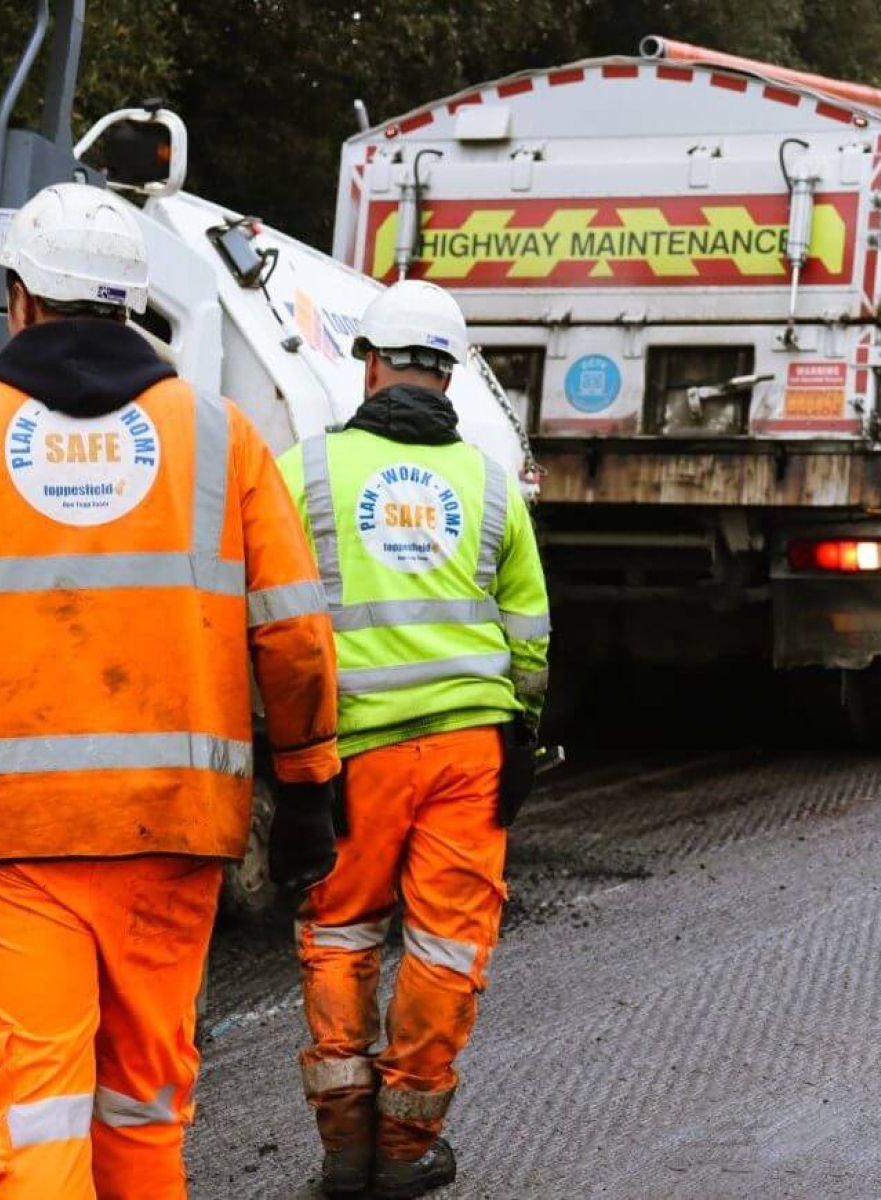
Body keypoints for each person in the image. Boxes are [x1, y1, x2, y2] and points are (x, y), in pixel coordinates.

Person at [0, 182, 340, 1199]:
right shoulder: (223, 437)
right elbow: (294, 640)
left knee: (35, 1103)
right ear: (133, 306)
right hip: (172, 825)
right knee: (144, 1103)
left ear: (19, 299)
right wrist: (310, 788)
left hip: (11, 830)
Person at [277, 279, 551, 1198]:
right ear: (453, 372)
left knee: (342, 939)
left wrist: (281, 757)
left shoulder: (303, 471)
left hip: (349, 756)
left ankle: (345, 1147)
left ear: (368, 364)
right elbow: (530, 635)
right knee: (445, 948)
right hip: (471, 754)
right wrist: (525, 737)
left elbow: (267, 623)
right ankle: (406, 1151)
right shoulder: (489, 482)